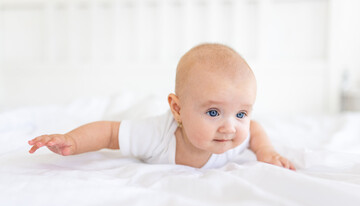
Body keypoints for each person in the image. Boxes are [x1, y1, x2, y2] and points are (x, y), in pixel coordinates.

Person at [28, 43, 296, 170]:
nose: (230, 126)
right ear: (177, 110)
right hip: (142, 114)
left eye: (241, 113)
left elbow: (255, 130)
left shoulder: (234, 136)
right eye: (213, 112)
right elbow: (109, 134)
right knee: (127, 109)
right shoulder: (155, 136)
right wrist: (71, 140)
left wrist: (266, 150)